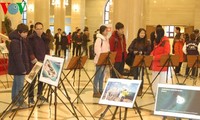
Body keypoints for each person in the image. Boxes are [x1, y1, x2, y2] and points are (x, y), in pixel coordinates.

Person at [28, 22, 50, 105]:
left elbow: (47, 49)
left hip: (43, 61)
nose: (39, 30)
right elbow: (29, 49)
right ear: (34, 29)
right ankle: (30, 97)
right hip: (34, 62)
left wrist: (47, 58)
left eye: (41, 28)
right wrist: (33, 58)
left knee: (41, 79)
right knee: (32, 81)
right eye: (38, 29)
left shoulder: (45, 38)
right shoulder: (31, 38)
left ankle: (39, 94)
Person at [8, 23, 29, 107]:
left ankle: (14, 99)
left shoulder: (19, 40)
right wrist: (22, 69)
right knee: (19, 84)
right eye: (25, 32)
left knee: (16, 83)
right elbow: (17, 56)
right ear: (19, 32)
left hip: (17, 67)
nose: (26, 34)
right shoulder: (16, 42)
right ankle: (19, 101)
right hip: (19, 67)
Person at [127, 28, 151, 95]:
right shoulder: (135, 40)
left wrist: (142, 52)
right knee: (135, 75)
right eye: (141, 33)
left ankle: (140, 89)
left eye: (143, 33)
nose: (142, 34)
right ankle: (134, 89)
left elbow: (149, 51)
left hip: (142, 60)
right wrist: (133, 52)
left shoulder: (147, 42)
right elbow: (129, 48)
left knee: (141, 75)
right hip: (135, 60)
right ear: (138, 33)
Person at [150, 27, 171, 95]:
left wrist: (155, 57)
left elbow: (166, 54)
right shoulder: (156, 41)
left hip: (162, 65)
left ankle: (160, 94)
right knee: (154, 81)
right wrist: (151, 54)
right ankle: (155, 93)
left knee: (161, 81)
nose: (155, 34)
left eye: (155, 33)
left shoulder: (166, 42)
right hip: (155, 64)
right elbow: (154, 50)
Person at [93, 25, 110, 98]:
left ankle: (100, 89)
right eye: (106, 30)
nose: (107, 32)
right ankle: (95, 91)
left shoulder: (106, 39)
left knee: (102, 76)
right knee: (97, 76)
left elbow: (107, 49)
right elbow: (97, 50)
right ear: (102, 31)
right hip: (99, 61)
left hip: (104, 60)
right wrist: (102, 57)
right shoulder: (99, 39)